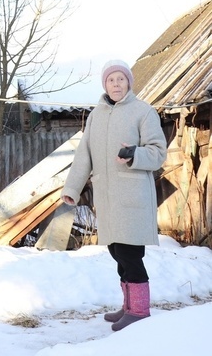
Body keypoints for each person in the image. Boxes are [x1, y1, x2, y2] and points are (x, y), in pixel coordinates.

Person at [61, 59, 167, 332]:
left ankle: (140, 311)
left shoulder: (143, 112)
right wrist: (72, 189)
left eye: (121, 79)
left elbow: (158, 153)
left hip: (133, 198)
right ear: (105, 84)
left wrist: (135, 154)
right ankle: (129, 306)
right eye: (111, 80)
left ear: (129, 82)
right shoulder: (96, 115)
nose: (116, 84)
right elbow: (84, 155)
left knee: (131, 256)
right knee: (117, 253)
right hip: (107, 200)